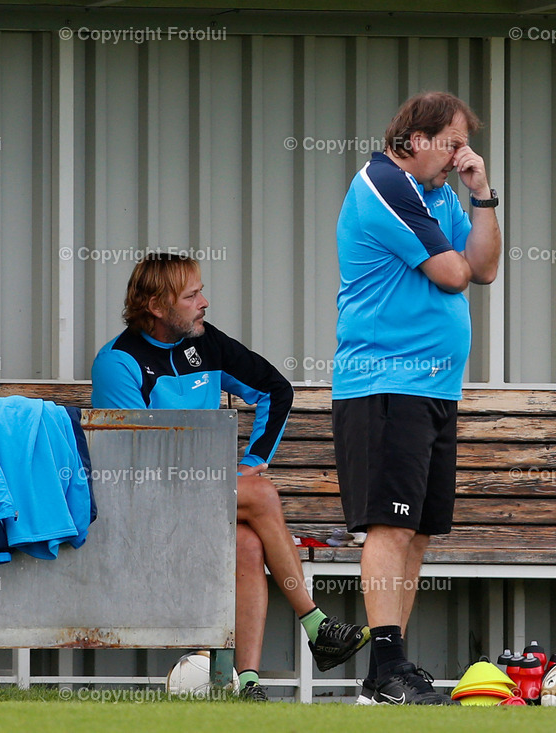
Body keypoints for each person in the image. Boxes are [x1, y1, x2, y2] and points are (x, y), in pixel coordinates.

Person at [92, 253, 369, 702]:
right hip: (142, 506)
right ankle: (316, 624)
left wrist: (251, 460)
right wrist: (236, 480)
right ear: (158, 306)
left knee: (248, 544)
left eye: (200, 290)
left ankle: (248, 682)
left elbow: (276, 390)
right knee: (259, 494)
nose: (205, 301)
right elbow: (131, 462)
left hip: (203, 497)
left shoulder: (205, 341)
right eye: (192, 295)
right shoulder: (118, 362)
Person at [333, 92, 502, 705]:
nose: (462, 154)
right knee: (389, 525)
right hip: (384, 384)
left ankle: (393, 668)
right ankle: (384, 670)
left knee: (420, 530)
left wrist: (481, 193)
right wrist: (458, 250)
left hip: (432, 388)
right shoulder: (385, 184)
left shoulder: (437, 194)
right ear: (416, 137)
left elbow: (482, 267)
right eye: (454, 142)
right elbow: (452, 274)